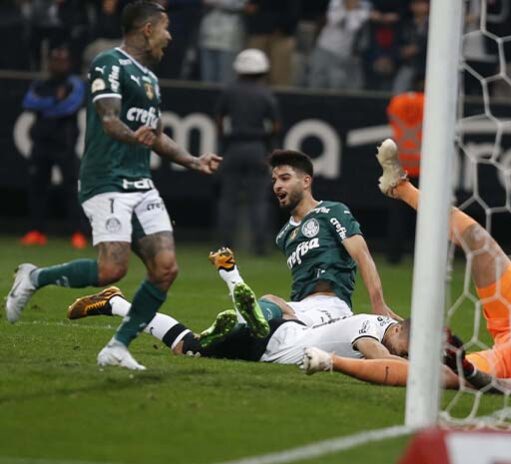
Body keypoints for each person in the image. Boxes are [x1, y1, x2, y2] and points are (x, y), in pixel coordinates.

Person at [301, 139, 511, 397]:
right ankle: (400, 187)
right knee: (479, 241)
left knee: (440, 378)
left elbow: (507, 388)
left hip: (508, 364)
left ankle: (332, 361)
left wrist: (466, 369)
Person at [4, 1, 223, 371]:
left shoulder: (151, 79)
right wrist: (133, 137)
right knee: (111, 271)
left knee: (166, 268)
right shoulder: (109, 62)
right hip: (106, 179)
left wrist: (192, 159)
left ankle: (118, 345)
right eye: (165, 28)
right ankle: (34, 276)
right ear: (147, 28)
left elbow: (154, 136)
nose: (170, 36)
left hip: (141, 183)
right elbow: (109, 119)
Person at [66, 270, 410, 366]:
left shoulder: (376, 323)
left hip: (286, 329)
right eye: (407, 347)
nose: (404, 354)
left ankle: (243, 295)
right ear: (399, 329)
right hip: (270, 345)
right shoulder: (370, 329)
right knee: (187, 348)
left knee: (194, 344)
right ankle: (118, 305)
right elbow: (384, 361)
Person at [210, 149, 396, 323]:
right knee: (267, 305)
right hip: (300, 308)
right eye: (274, 180)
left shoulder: (332, 211)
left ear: (306, 181)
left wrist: (378, 304)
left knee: (268, 312)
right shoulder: (284, 235)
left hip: (332, 308)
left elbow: (362, 256)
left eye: (285, 178)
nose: (277, 186)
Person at [20, 45, 88, 249]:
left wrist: (48, 106)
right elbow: (28, 102)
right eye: (55, 60)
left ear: (69, 63)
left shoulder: (74, 83)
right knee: (38, 188)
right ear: (50, 63)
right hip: (41, 144)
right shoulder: (41, 83)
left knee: (71, 189)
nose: (59, 64)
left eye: (63, 60)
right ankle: (36, 231)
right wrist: (53, 102)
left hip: (64, 145)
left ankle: (78, 232)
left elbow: (71, 105)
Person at [214, 49, 281, 254]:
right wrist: (269, 144)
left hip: (234, 147)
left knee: (228, 199)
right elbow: (276, 124)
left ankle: (224, 245)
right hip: (257, 148)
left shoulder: (230, 91)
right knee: (258, 200)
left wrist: (224, 141)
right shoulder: (266, 93)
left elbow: (218, 119)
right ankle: (260, 246)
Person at [385, 75, 423, 263]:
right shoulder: (428, 103)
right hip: (423, 164)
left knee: (397, 214)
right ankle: (423, 255)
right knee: (424, 214)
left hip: (399, 164)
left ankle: (394, 255)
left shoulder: (396, 102)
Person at [306, 0, 370, 91]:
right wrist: (349, 8)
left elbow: (353, 26)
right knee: (316, 83)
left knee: (336, 84)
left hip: (342, 54)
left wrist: (350, 9)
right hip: (324, 48)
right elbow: (334, 19)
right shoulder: (336, 2)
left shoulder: (365, 5)